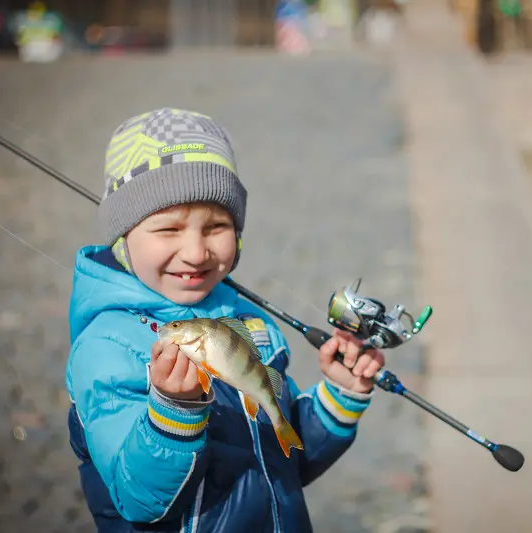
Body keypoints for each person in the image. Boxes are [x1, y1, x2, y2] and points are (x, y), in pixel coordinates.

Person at [65, 107, 386, 533]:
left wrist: (339, 398)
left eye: (217, 226)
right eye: (168, 230)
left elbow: (286, 462)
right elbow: (139, 501)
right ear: (123, 239)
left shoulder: (246, 321)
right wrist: (173, 412)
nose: (197, 252)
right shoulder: (105, 349)